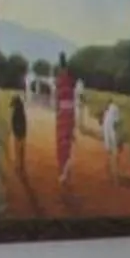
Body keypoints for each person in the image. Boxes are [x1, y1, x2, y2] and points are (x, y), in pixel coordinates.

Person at [55, 63, 79, 193]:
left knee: (62, 146)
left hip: (63, 116)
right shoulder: (70, 84)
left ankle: (63, 173)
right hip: (68, 115)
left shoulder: (60, 82)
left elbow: (57, 102)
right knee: (66, 145)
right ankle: (65, 173)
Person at [7, 88, 28, 184]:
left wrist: (15, 132)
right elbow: (24, 123)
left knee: (17, 150)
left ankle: (18, 166)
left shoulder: (16, 112)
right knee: (21, 151)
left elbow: (14, 123)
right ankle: (21, 166)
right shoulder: (21, 112)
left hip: (18, 133)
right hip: (22, 133)